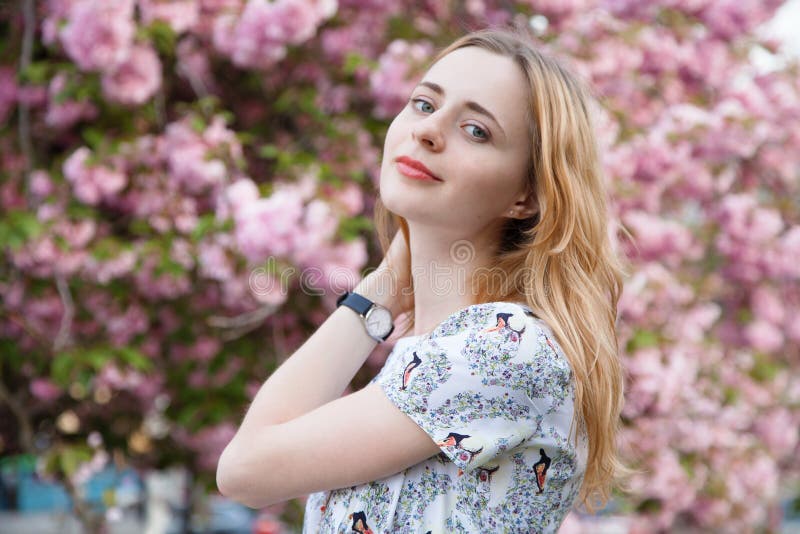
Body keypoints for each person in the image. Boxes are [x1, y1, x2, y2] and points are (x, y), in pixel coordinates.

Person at [216, 25, 628, 533]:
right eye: (424, 104)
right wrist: (383, 288)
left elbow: (244, 470)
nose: (428, 131)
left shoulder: (502, 349)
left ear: (526, 196)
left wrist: (378, 292)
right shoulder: (434, 355)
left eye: (476, 130)